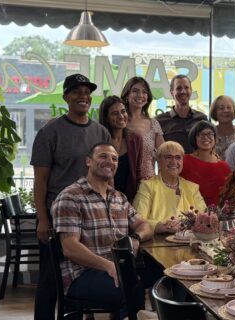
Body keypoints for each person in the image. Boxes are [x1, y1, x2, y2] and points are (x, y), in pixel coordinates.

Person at [30, 73, 111, 320]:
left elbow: (108, 175)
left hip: (91, 219)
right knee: (50, 282)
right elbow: (40, 180)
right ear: (66, 97)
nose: (82, 96)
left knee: (79, 280)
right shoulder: (50, 132)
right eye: (76, 92)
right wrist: (43, 220)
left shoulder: (101, 132)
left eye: (87, 92)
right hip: (58, 217)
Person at [52, 142, 153, 318]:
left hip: (118, 268)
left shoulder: (118, 197)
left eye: (114, 158)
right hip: (82, 275)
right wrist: (108, 266)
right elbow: (69, 247)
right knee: (130, 289)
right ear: (88, 162)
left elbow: (145, 225)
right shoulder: (71, 197)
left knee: (166, 275)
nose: (110, 161)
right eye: (103, 156)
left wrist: (136, 238)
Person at [133, 141, 206, 234]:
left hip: (190, 242)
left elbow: (205, 218)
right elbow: (137, 220)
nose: (174, 162)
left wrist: (193, 221)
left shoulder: (192, 187)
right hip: (157, 243)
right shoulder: (147, 186)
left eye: (178, 157)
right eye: (168, 157)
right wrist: (161, 226)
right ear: (159, 161)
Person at [99, 95, 143, 201]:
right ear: (106, 118)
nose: (121, 116)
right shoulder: (99, 140)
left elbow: (138, 171)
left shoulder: (136, 139)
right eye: (115, 113)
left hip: (128, 198)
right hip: (102, 197)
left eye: (123, 111)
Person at [121, 76, 164, 179]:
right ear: (127, 95)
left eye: (144, 92)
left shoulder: (153, 124)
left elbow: (164, 155)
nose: (140, 95)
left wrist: (161, 182)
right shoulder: (120, 122)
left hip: (148, 184)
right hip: (122, 182)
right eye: (135, 91)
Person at [180, 121, 232, 206]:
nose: (206, 137)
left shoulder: (224, 166)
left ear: (215, 138)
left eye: (210, 134)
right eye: (201, 134)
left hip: (218, 214)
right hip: (189, 212)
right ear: (194, 138)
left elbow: (229, 194)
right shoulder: (184, 161)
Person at [155, 74, 207, 153]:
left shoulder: (202, 119)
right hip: (172, 165)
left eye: (186, 88)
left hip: (197, 165)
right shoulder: (159, 121)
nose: (183, 91)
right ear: (172, 92)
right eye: (179, 88)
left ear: (191, 91)